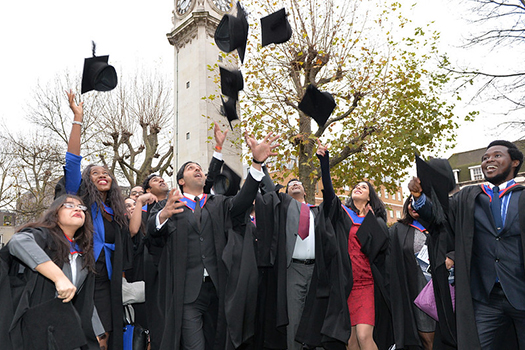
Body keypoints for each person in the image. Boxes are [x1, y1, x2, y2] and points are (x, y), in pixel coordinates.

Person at [146, 131, 279, 350]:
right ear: (181, 181)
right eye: (191, 168)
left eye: (199, 167)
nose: (197, 169)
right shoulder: (170, 206)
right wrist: (162, 215)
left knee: (218, 343)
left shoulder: (218, 204)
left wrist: (256, 164)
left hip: (219, 290)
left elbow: (244, 200)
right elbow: (151, 232)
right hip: (187, 292)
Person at [408, 140, 525, 350]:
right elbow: (439, 217)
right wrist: (419, 198)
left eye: (497, 156)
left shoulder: (522, 197)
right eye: (485, 158)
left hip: (521, 291)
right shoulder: (468, 197)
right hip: (485, 297)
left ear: (515, 162)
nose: (489, 160)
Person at [58, 89, 132, 349]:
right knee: (90, 337)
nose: (103, 175)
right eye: (95, 173)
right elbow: (72, 162)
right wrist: (78, 119)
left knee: (107, 337)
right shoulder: (83, 203)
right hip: (83, 277)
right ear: (86, 181)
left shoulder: (116, 212)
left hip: (108, 282)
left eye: (106, 173)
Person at [316, 140, 392, 350]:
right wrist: (325, 163)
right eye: (357, 186)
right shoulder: (343, 216)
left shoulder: (375, 221)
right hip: (346, 284)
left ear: (370, 197)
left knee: (364, 335)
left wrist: (370, 225)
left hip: (367, 283)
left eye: (364, 187)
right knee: (350, 339)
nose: (358, 188)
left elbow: (379, 251)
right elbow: (330, 196)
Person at [0, 195, 101, 349]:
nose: (77, 209)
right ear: (55, 213)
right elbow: (17, 242)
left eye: (81, 208)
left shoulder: (83, 253)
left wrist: (96, 331)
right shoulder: (41, 236)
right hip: (33, 324)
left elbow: (86, 299)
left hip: (63, 326)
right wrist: (58, 277)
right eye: (69, 205)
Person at [388, 195, 455, 350]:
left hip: (446, 291)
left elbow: (461, 245)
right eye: (410, 201)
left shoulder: (444, 226)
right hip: (418, 292)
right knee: (428, 340)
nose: (413, 205)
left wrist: (451, 257)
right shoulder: (398, 230)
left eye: (417, 201)